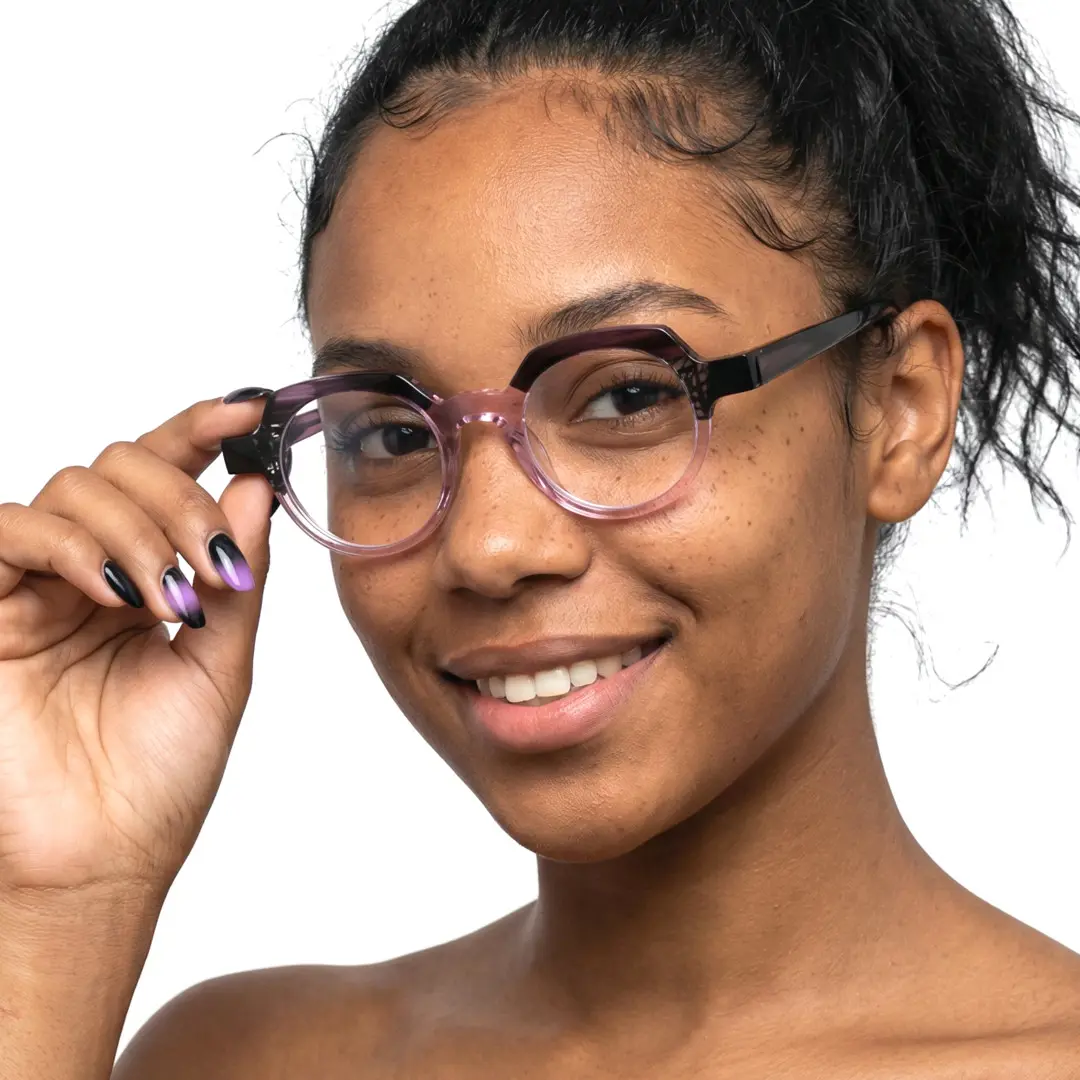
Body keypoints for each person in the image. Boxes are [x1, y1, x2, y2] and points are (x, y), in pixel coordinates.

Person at [2, 0, 1080, 1076]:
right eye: (389, 429)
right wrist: (55, 908)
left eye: (623, 399)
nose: (488, 547)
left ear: (901, 406)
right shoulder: (236, 1060)